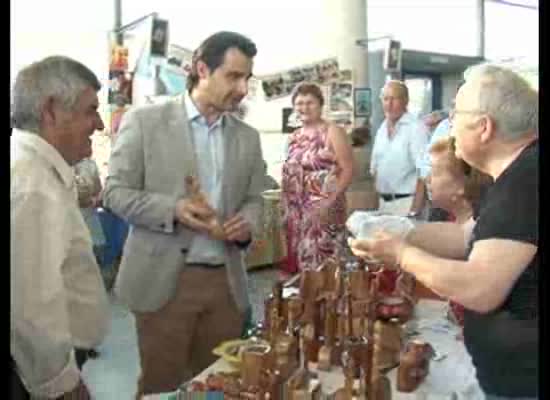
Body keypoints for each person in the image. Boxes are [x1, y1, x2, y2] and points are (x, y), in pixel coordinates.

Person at [350, 64, 538, 399]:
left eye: (456, 112)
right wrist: (399, 231)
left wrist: (402, 254)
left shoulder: (525, 181)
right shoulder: (511, 177)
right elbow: (467, 237)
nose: (449, 124)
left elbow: (481, 287)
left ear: (483, 127)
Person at [102, 31, 264, 398]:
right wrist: (172, 209)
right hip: (164, 282)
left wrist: (248, 222)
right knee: (162, 385)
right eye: (234, 76)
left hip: (226, 283)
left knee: (220, 384)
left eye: (247, 78)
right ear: (202, 69)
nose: (242, 89)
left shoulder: (247, 137)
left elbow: (255, 198)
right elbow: (114, 193)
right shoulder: (145, 122)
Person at [11, 56, 110, 399]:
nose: (99, 124)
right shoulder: (30, 184)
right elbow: (30, 308)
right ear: (51, 111)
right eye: (90, 110)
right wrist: (60, 385)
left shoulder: (38, 172)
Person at [280, 83, 353, 275]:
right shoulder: (294, 136)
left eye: (309, 102)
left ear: (320, 105)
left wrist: (330, 201)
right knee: (302, 268)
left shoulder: (332, 131)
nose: (304, 107)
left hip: (324, 210)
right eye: (299, 103)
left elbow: (347, 169)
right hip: (296, 212)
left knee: (324, 267)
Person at [370, 80, 428, 217]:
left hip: (406, 203)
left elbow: (424, 172)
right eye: (385, 99)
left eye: (394, 99)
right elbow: (375, 170)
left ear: (405, 100)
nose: (389, 104)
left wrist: (414, 210)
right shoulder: (381, 129)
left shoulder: (416, 128)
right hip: (383, 203)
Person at [346, 125, 378, 215]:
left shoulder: (344, 155)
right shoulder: (370, 156)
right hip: (367, 195)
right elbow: (377, 177)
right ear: (366, 139)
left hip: (348, 195)